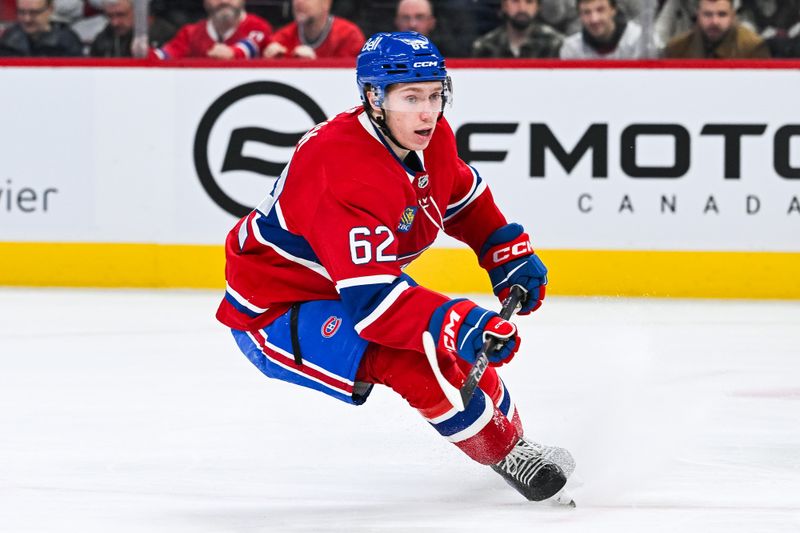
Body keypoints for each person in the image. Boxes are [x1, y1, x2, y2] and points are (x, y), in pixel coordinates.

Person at [216, 31, 575, 502]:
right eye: (410, 98)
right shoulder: (337, 168)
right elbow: (374, 306)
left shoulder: (428, 134)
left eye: (433, 95)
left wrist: (503, 251)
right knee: (410, 357)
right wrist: (461, 320)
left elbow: (461, 198)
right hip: (277, 307)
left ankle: (513, 445)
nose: (427, 112)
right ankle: (507, 453)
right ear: (373, 98)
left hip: (347, 282)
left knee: (454, 350)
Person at [150, 0, 272, 59]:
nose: (224, 1)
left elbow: (250, 46)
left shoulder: (258, 26)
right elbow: (166, 55)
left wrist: (233, 53)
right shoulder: (190, 33)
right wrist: (147, 53)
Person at [664, 0, 770, 58]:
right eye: (707, 14)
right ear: (698, 15)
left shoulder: (753, 48)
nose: (714, 22)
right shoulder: (676, 49)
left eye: (722, 14)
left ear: (733, 16)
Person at [263, 0, 363, 59]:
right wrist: (268, 63)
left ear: (326, 3)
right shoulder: (282, 38)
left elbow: (351, 83)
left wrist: (314, 66)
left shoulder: (349, 36)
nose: (299, 2)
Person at [560, 0, 652, 59]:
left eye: (600, 10)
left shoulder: (639, 40)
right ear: (580, 16)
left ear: (613, 10)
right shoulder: (571, 48)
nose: (594, 19)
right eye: (586, 12)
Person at [472, 0, 563, 58]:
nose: (522, 9)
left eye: (529, 2)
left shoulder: (556, 45)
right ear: (504, 6)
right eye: (515, 1)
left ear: (538, 8)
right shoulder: (485, 47)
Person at [90, 0, 175, 57]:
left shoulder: (165, 35)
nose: (114, 22)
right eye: (110, 16)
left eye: (121, 14)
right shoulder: (103, 39)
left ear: (138, 11)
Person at [0, 0, 82, 55]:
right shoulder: (9, 39)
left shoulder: (67, 41)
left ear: (50, 9)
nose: (27, 19)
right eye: (21, 12)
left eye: (34, 13)